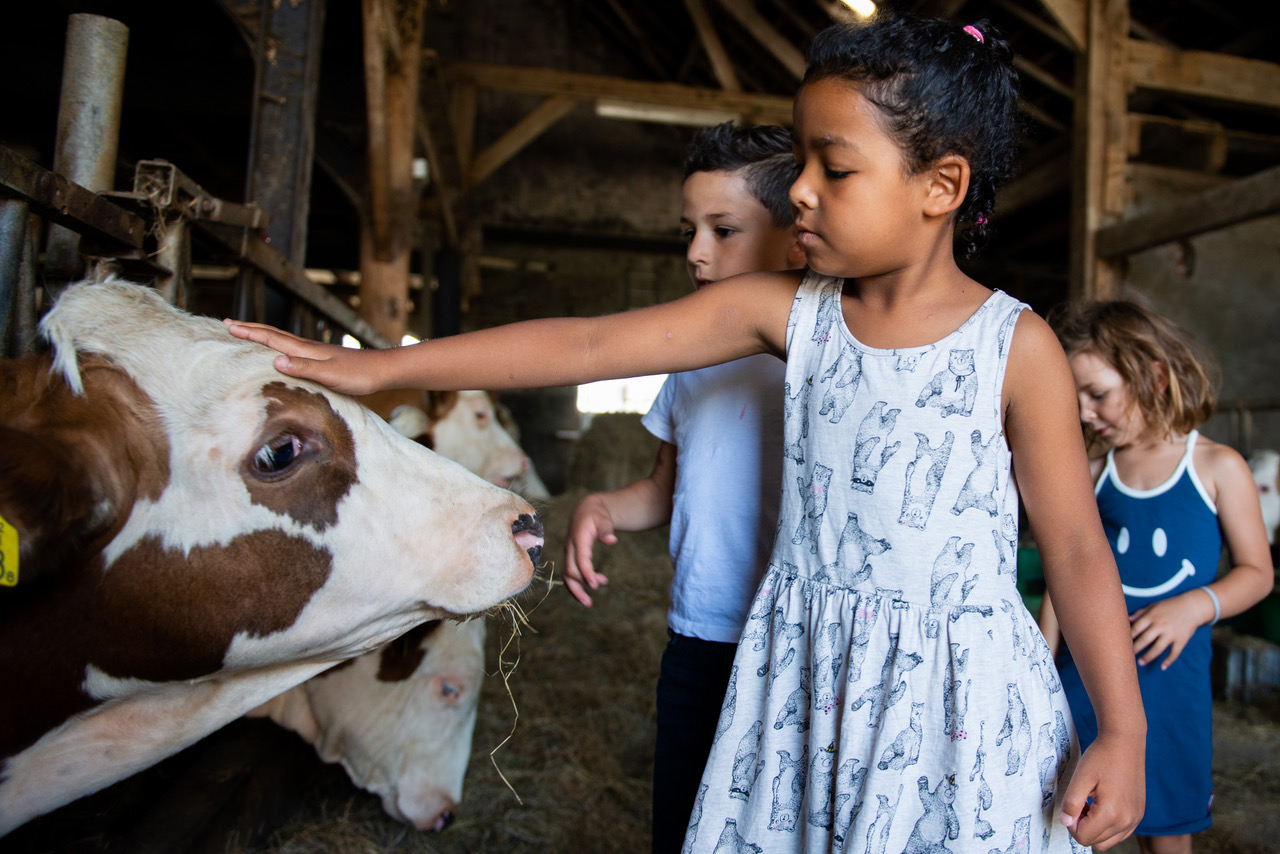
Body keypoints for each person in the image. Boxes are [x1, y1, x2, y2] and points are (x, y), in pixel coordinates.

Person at [226, 14, 1147, 851]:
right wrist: (382, 366)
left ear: (941, 185)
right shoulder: (789, 314)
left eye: (835, 167)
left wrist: (1122, 729)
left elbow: (1072, 545)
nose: (801, 193)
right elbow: (586, 344)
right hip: (805, 679)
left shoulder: (1014, 346)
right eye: (799, 165)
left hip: (955, 701)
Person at [562, 121, 803, 854]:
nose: (696, 251)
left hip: (791, 649)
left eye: (722, 230)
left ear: (798, 234)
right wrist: (603, 504)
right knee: (685, 828)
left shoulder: (820, 358)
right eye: (689, 229)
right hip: (698, 638)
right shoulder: (690, 365)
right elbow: (667, 490)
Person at [1039, 300, 1274, 854]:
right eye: (1075, 397)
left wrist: (1193, 606)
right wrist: (1041, 668)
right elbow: (1061, 579)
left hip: (1171, 687)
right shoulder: (1093, 474)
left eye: (1097, 393)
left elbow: (1258, 573)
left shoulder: (1218, 467)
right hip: (1085, 683)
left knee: (1165, 832)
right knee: (1064, 823)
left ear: (1155, 377)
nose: (1084, 411)